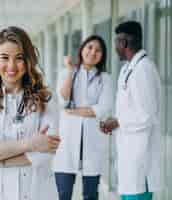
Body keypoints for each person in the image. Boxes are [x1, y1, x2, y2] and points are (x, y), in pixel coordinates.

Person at [0, 26, 61, 200]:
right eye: (4, 58)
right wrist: (30, 144)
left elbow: (47, 151)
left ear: (28, 60)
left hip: (34, 191)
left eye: (19, 58)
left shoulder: (46, 98)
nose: (11, 66)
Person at [100, 21, 162, 200]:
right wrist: (114, 121)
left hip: (140, 160)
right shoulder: (129, 69)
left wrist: (118, 121)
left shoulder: (143, 69)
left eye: (116, 43)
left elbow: (147, 116)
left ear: (123, 43)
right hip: (129, 156)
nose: (115, 48)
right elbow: (131, 110)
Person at [53, 35, 114, 200]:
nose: (93, 52)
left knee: (91, 195)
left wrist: (74, 111)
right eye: (90, 47)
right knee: (63, 193)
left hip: (92, 142)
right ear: (82, 49)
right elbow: (63, 100)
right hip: (67, 143)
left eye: (98, 50)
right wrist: (71, 72)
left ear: (102, 56)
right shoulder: (66, 73)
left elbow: (102, 108)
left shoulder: (105, 79)